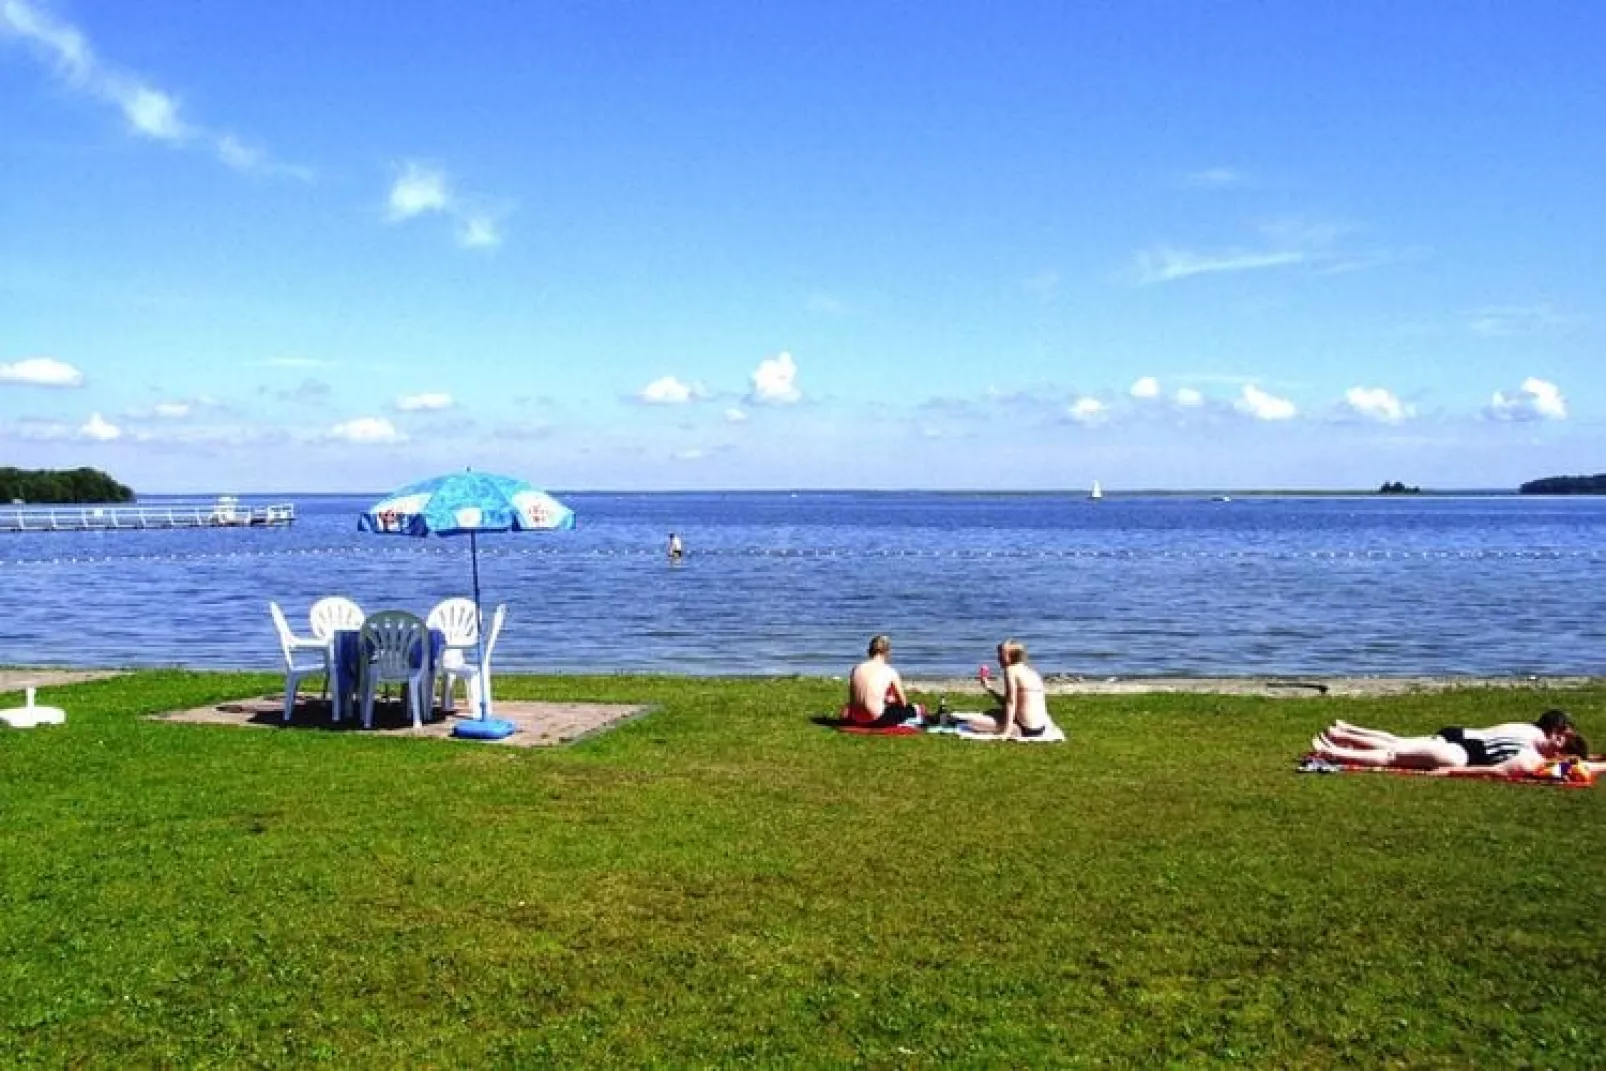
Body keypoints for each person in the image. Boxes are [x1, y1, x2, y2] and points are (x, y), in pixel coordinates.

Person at [1311, 710, 1577, 775]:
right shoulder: (1533, 735)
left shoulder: (1532, 750)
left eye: (1564, 738)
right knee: (1397, 743)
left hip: (1462, 750)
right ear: (1552, 728)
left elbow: (1496, 770)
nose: (1560, 740)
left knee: (1395, 751)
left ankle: (1336, 748)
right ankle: (1343, 737)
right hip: (1463, 739)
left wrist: (1452, 771)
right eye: (1561, 733)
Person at [950, 639, 1053, 738]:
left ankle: (1012, 730)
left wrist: (1005, 732)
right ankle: (1010, 727)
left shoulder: (1010, 670)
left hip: (1024, 728)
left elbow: (1010, 702)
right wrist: (989, 688)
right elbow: (1014, 703)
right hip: (1039, 728)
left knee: (972, 723)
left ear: (1013, 656)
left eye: (1001, 655)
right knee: (991, 712)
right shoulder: (1032, 672)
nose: (998, 658)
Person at [842, 634, 925, 728]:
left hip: (856, 717)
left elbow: (853, 699)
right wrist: (891, 701)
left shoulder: (856, 668)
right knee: (912, 709)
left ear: (869, 651)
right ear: (887, 652)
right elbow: (903, 703)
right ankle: (918, 710)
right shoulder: (890, 671)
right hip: (876, 719)